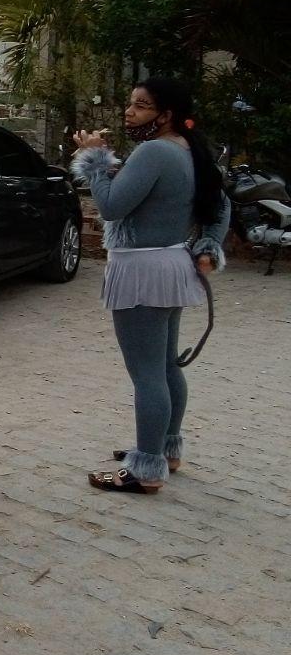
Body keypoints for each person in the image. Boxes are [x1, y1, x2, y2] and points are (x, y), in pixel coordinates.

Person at [71, 77, 229, 494]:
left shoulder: (155, 150)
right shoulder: (187, 149)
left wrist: (94, 159)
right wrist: (208, 245)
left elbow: (111, 205)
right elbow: (220, 204)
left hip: (142, 270)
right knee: (164, 366)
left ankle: (145, 470)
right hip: (171, 264)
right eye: (130, 103)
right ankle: (163, 450)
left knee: (147, 375)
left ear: (166, 115)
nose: (129, 111)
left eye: (141, 106)